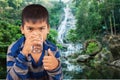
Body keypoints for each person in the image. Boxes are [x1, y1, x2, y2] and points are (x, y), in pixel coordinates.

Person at [6, 4, 63, 80]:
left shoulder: (53, 50)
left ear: (48, 29)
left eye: (41, 29)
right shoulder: (14, 48)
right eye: (30, 29)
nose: (36, 34)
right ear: (22, 29)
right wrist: (23, 54)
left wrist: (55, 67)